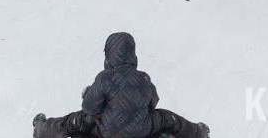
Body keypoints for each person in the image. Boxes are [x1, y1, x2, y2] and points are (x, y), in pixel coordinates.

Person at [32, 32, 210, 138]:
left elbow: (89, 107)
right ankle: (198, 132)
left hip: (107, 132)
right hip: (143, 129)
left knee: (73, 121)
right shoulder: (144, 78)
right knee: (166, 117)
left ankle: (42, 129)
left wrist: (89, 95)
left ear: (108, 55)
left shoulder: (104, 78)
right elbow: (153, 103)